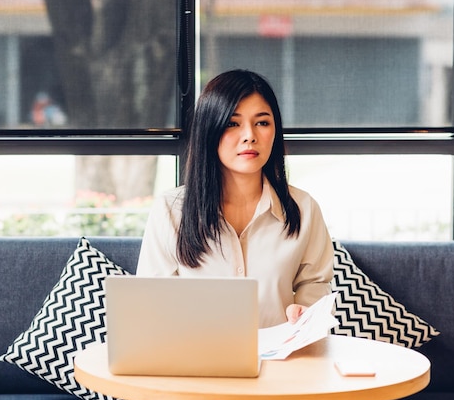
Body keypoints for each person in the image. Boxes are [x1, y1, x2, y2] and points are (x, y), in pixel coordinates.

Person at [136, 69, 334, 328]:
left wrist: (305, 312)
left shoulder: (303, 208)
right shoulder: (170, 210)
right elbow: (152, 304)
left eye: (262, 122)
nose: (250, 135)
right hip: (195, 362)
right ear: (210, 130)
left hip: (280, 360)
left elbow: (315, 283)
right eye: (233, 123)